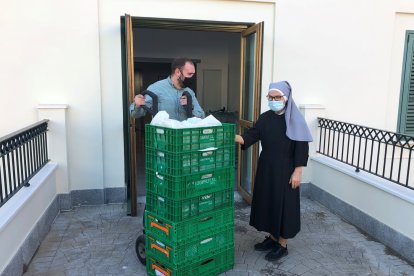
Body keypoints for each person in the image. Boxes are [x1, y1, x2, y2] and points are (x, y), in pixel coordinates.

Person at [235, 81, 312, 261]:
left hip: (286, 170)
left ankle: (282, 245)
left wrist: (297, 172)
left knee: (284, 206)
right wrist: (231, 136)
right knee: (268, 202)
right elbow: (250, 137)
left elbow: (302, 148)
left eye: (277, 97)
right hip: (267, 167)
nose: (273, 100)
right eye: (270, 97)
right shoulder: (265, 118)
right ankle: (272, 238)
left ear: (286, 98)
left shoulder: (295, 120)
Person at [130, 57, 205, 121]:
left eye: (193, 74)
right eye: (189, 74)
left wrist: (190, 106)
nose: (192, 77)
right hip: (164, 136)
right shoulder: (156, 88)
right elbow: (135, 115)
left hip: (184, 136)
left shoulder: (189, 92)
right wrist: (137, 105)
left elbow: (201, 116)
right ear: (178, 72)